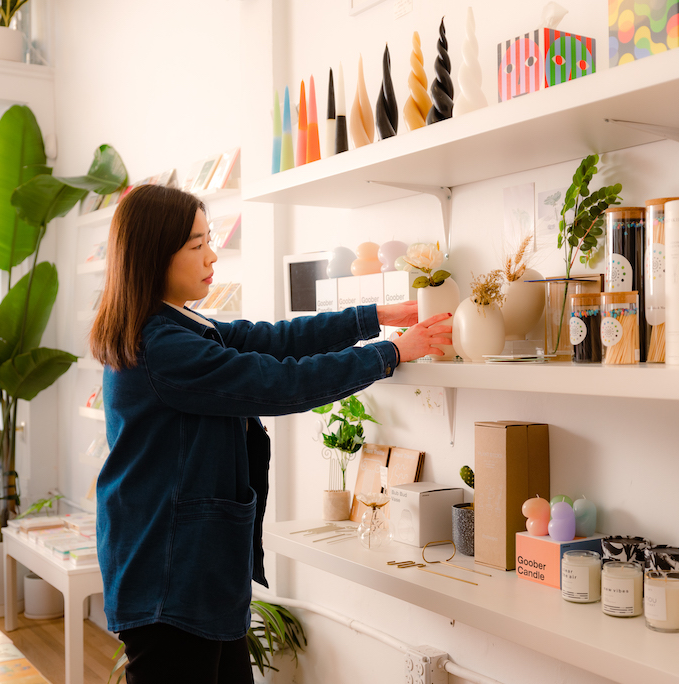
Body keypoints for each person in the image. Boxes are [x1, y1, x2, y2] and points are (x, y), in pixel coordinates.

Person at [88, 184, 451, 683]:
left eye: (209, 239)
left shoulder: (182, 326)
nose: (211, 255)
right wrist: (389, 354)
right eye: (196, 246)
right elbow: (280, 384)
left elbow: (274, 340)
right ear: (154, 256)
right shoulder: (161, 346)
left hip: (195, 571)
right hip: (169, 578)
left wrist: (374, 318)